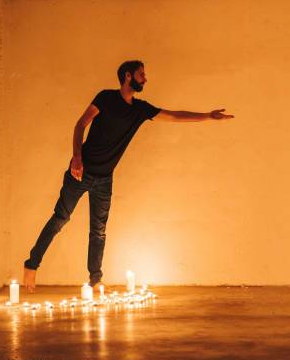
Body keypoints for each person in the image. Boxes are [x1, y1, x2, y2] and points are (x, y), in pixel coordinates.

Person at [23, 60, 234, 293]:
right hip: (80, 172)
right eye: (141, 74)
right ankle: (31, 265)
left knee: (98, 231)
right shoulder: (105, 98)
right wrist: (77, 157)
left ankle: (95, 281)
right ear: (127, 76)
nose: (145, 78)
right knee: (60, 219)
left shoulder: (139, 109)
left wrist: (207, 116)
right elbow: (80, 125)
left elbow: (174, 116)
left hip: (104, 180)